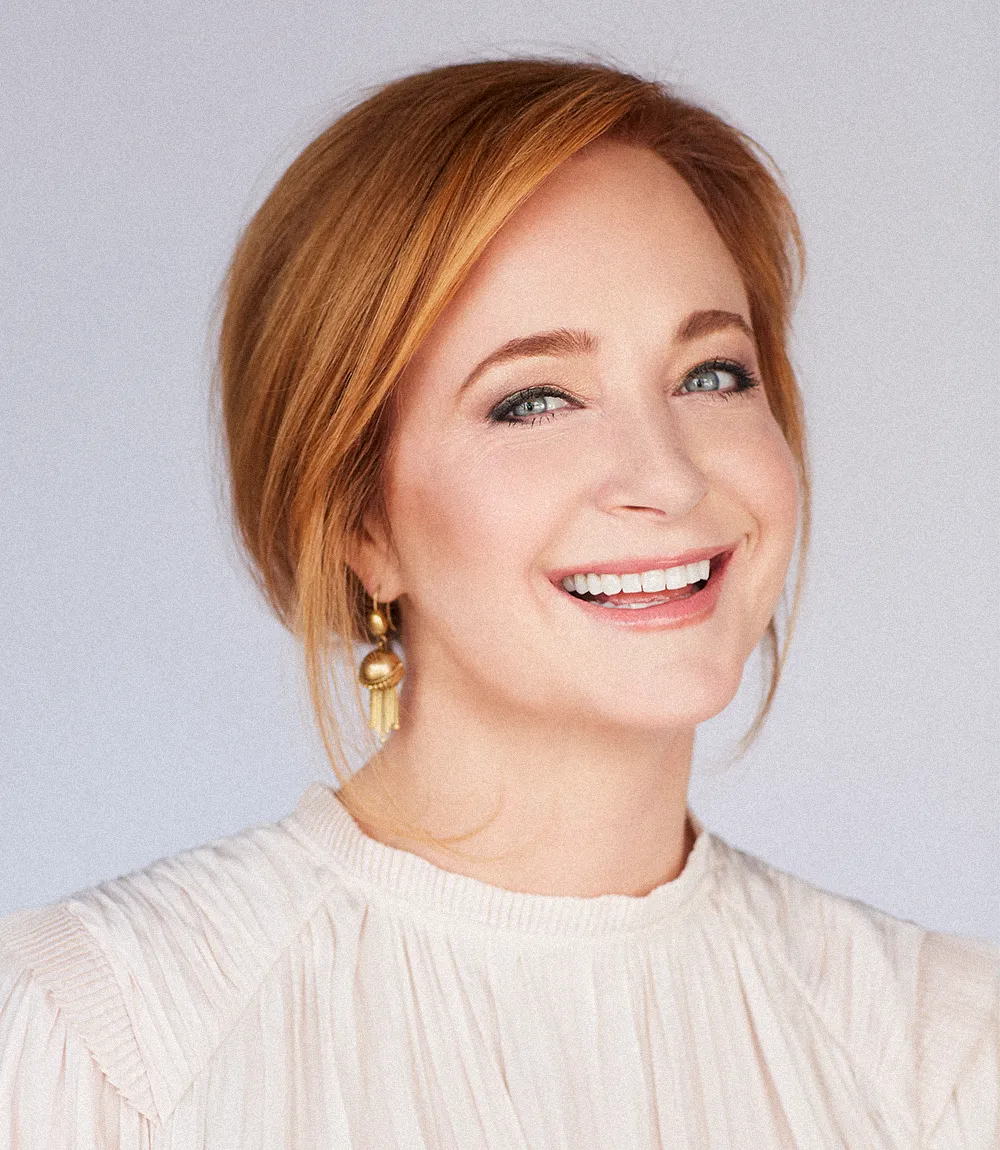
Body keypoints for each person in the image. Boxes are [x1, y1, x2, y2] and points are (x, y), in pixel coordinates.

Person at [1, 57, 997, 1149]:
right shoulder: (102, 1040)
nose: (666, 477)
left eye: (711, 373)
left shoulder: (940, 1053)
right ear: (357, 523)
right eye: (534, 400)